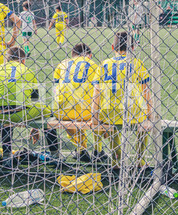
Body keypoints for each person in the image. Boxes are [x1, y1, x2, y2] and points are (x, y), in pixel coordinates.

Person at [91, 32, 153, 169]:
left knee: (112, 126)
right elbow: (145, 90)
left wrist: (94, 115)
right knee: (144, 125)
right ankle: (140, 160)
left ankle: (116, 160)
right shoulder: (137, 63)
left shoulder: (104, 64)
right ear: (132, 48)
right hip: (133, 112)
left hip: (108, 113)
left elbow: (97, 92)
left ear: (113, 47)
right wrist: (150, 113)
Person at [0, 46, 59, 165]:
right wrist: (36, 124)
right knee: (49, 112)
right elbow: (35, 99)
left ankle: (6, 155)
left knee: (5, 110)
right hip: (21, 112)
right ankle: (55, 155)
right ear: (23, 60)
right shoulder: (27, 70)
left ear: (6, 59)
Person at [53, 43, 101, 162]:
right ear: (89, 55)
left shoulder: (62, 64)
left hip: (62, 112)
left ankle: (80, 148)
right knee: (97, 108)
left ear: (72, 55)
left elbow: (55, 89)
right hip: (87, 112)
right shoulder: (94, 65)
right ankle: (97, 150)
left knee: (68, 106)